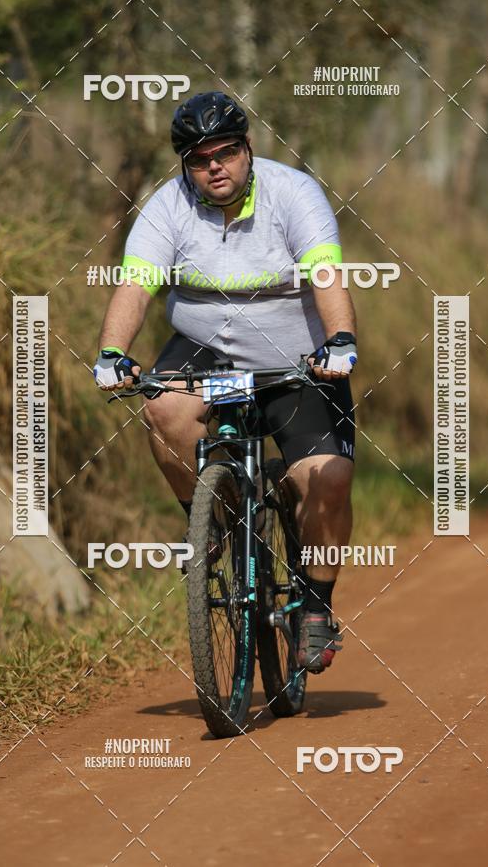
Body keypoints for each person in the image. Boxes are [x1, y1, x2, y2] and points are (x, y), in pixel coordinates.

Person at [94, 91, 358, 673]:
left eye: (227, 152)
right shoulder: (166, 210)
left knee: (330, 478)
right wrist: (113, 352)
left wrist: (338, 341)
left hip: (295, 363)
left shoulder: (294, 194)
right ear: (184, 165)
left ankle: (314, 606)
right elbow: (136, 288)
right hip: (207, 353)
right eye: (198, 157)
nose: (215, 166)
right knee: (162, 411)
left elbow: (327, 276)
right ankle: (210, 519)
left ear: (248, 151)